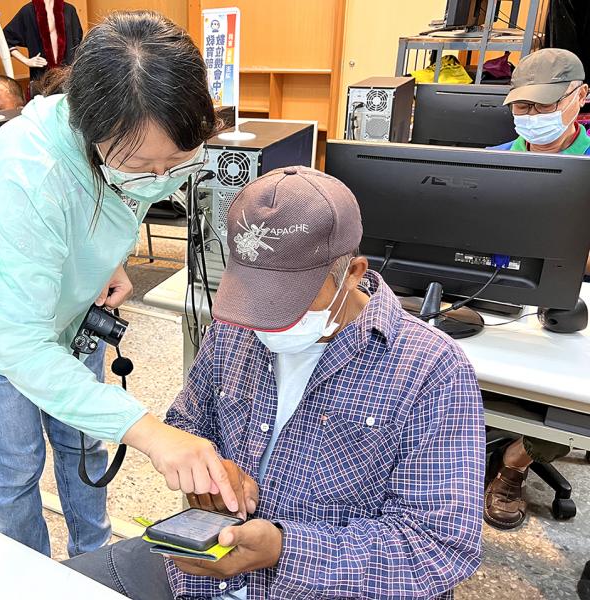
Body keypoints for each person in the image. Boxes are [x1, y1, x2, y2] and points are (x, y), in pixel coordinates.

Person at [65, 167, 485, 599]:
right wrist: (210, 473)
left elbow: (437, 547)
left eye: (287, 300)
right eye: (253, 292)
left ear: (353, 273)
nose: (264, 318)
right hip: (202, 574)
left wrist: (284, 550)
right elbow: (188, 422)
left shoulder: (431, 369)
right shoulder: (235, 328)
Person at [0, 11, 238, 559]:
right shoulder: (30, 170)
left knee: (85, 448)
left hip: (70, 312)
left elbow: (118, 200)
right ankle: (32, 578)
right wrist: (150, 433)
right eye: (141, 164)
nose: (160, 178)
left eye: (178, 162)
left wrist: (106, 261)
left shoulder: (138, 149)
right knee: (16, 467)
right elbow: (21, 347)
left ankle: (93, 560)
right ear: (90, 126)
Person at [485, 47, 589, 531]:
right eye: (522, 106)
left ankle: (516, 461)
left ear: (580, 98)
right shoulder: (489, 163)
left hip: (570, 307)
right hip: (494, 295)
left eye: (543, 105)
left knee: (570, 399)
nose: (531, 116)